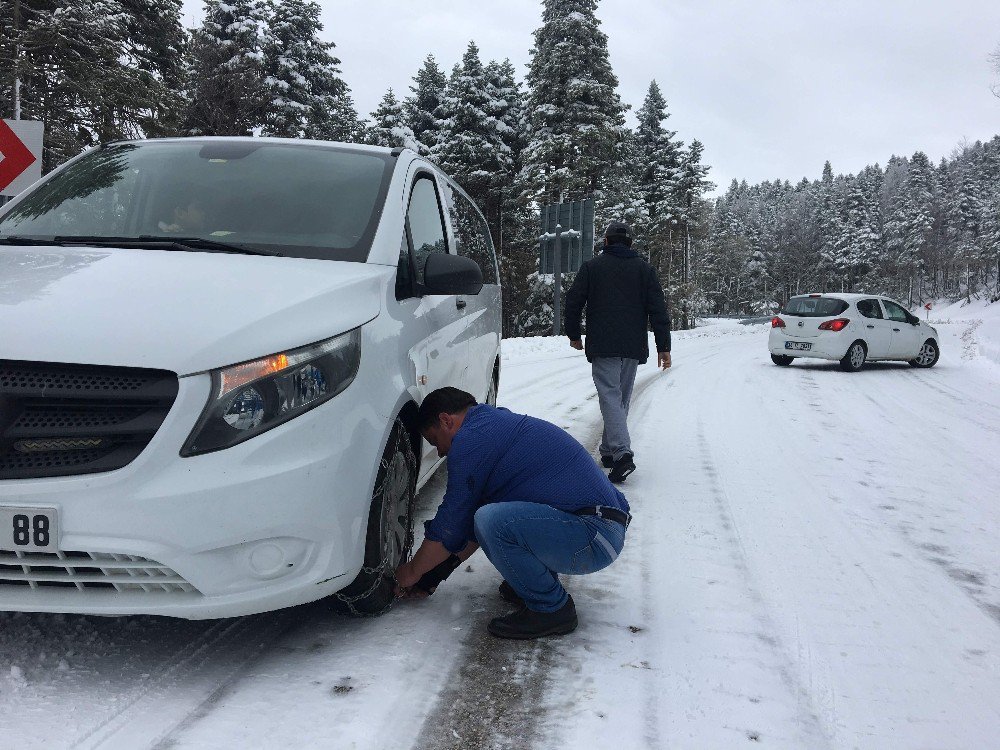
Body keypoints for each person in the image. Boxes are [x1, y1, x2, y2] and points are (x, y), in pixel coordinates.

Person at [394, 387, 631, 640]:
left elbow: (451, 523)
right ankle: (532, 584)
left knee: (492, 520)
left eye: (435, 441)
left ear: (446, 420)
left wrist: (410, 573)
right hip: (598, 530)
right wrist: (433, 575)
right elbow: (468, 526)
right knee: (487, 517)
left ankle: (552, 608)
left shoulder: (471, 439)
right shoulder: (492, 426)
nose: (440, 452)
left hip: (592, 533)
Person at [564, 220, 672, 483]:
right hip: (632, 347)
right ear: (631, 243)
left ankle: (622, 453)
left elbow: (573, 301)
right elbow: (658, 309)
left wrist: (574, 335)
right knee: (619, 399)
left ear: (606, 241)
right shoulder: (645, 270)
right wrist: (663, 346)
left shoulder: (592, 267)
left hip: (603, 345)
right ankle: (609, 451)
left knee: (611, 398)